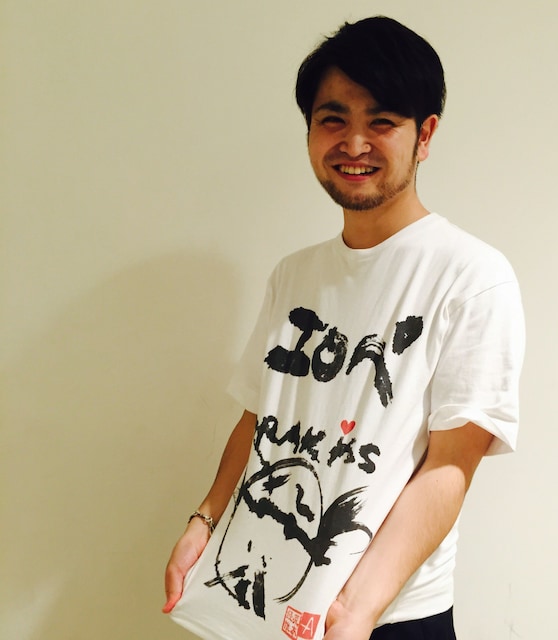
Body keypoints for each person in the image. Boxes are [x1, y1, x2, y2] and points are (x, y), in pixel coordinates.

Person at [163, 16, 525, 640]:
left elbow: (449, 466)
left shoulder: (471, 276)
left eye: (381, 122)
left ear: (424, 135)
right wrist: (205, 522)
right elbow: (258, 419)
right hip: (263, 597)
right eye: (333, 120)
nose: (354, 143)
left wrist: (356, 612)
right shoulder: (294, 275)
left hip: (385, 616)